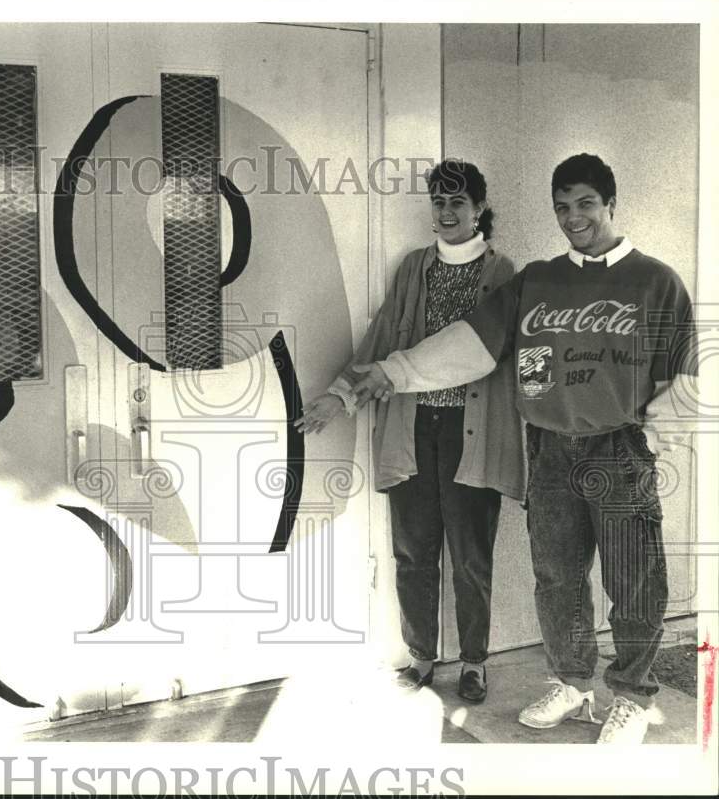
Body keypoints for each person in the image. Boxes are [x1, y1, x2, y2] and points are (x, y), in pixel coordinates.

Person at [354, 153, 698, 744]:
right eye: (562, 208)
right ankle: (571, 682)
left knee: (632, 578)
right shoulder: (536, 280)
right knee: (556, 577)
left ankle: (634, 698)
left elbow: (685, 375)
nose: (574, 218)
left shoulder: (655, 280)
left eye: (586, 204)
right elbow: (467, 345)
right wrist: (394, 371)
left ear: (611, 203)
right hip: (549, 451)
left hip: (617, 450)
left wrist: (653, 435)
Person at [295, 159, 525, 704]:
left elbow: (502, 355)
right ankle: (422, 656)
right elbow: (379, 342)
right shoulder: (413, 268)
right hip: (412, 428)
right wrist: (339, 396)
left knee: (470, 556)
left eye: (457, 203)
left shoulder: (503, 272)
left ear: (479, 210)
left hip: (474, 433)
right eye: (438, 203)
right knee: (414, 551)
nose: (446, 213)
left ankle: (473, 663)